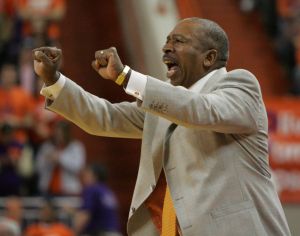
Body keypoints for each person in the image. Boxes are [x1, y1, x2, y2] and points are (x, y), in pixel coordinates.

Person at [32, 17, 291, 236]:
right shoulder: (163, 106)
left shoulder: (240, 86)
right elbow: (105, 117)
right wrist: (54, 80)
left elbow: (201, 110)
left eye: (178, 41)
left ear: (209, 58)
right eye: (167, 40)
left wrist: (126, 77)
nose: (166, 47)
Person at [36, 120, 85, 196]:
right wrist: (48, 160)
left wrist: (60, 158)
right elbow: (38, 167)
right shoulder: (47, 146)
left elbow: (78, 167)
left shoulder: (76, 147)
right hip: (47, 190)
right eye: (56, 132)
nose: (58, 135)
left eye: (61, 133)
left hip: (69, 191)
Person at [73, 164, 121, 236]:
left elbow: (84, 216)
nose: (83, 177)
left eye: (87, 174)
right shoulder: (108, 191)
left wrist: (72, 232)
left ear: (95, 176)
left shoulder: (91, 189)